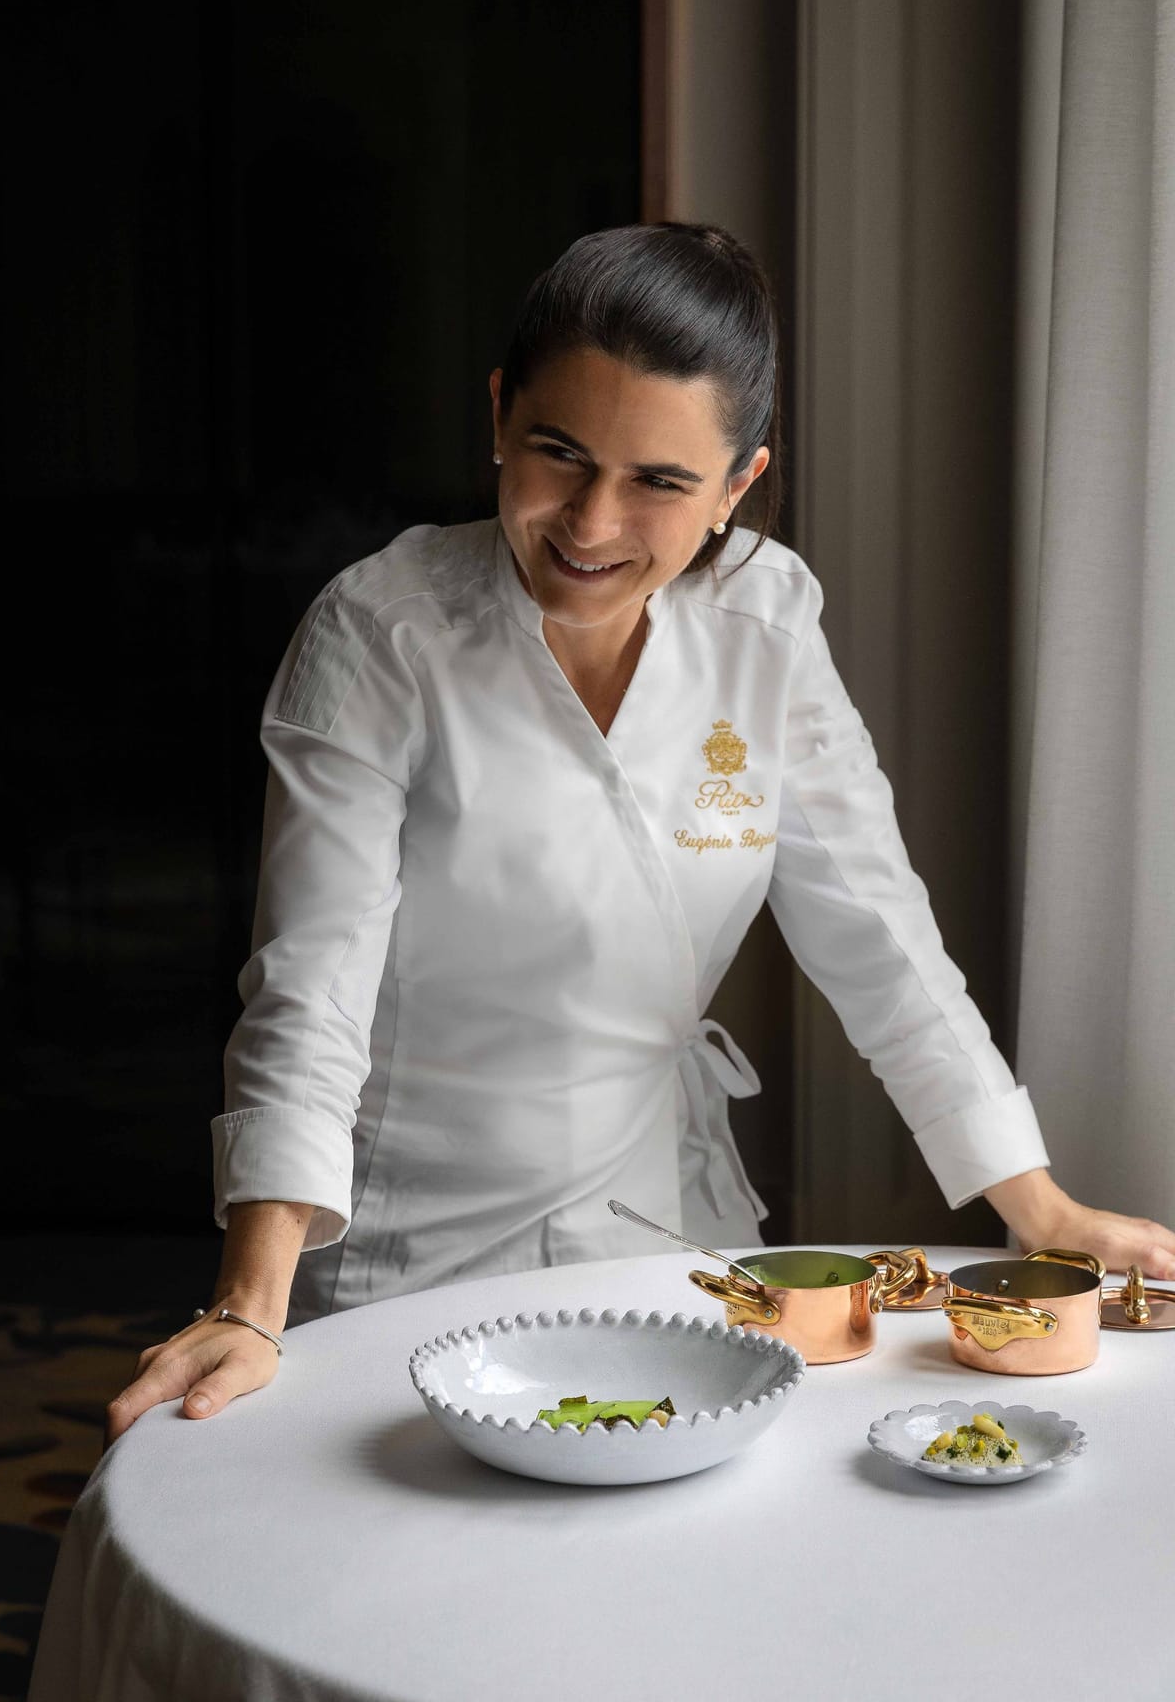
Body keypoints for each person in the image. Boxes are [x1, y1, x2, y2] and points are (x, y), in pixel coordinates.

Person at [106, 222, 1175, 1445]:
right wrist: (249, 1302)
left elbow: (882, 941)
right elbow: (314, 980)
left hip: (668, 1225)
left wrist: (1039, 1209)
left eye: (660, 481)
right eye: (557, 453)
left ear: (736, 486)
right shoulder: (382, 634)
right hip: (414, 1230)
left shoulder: (767, 623)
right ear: (500, 415)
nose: (591, 521)